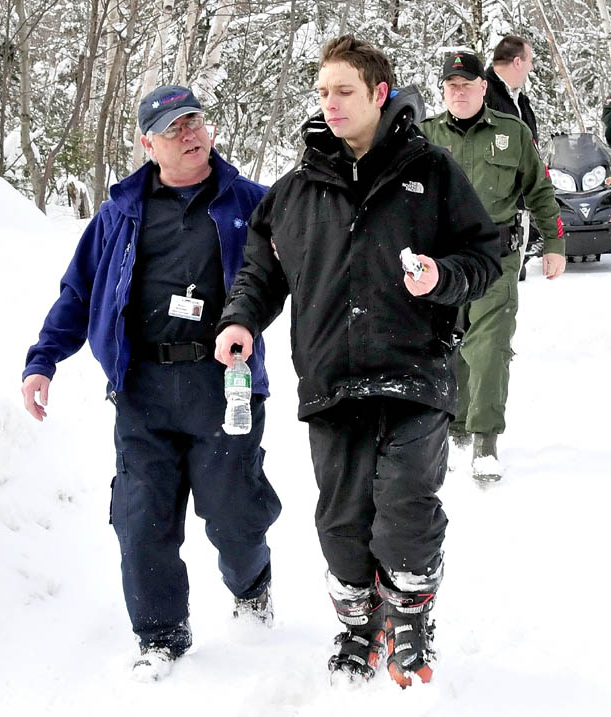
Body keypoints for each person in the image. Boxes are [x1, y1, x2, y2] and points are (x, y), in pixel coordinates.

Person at [214, 35, 501, 688]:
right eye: (322, 92)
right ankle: (359, 624)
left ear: (378, 93)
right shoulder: (295, 191)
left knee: (405, 506)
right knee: (340, 524)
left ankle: (410, 614)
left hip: (415, 371)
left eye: (344, 90)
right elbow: (260, 269)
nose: (330, 103)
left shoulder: (433, 172)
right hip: (332, 380)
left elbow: (484, 255)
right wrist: (239, 321)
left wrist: (443, 276)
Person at [21, 85, 281, 680]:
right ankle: (161, 635)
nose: (189, 133)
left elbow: (306, 266)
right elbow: (78, 293)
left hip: (226, 388)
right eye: (173, 127)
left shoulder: (252, 203)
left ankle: (253, 586)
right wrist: (43, 361)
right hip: (143, 389)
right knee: (142, 521)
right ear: (148, 143)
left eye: (195, 121)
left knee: (235, 516)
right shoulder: (119, 214)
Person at [420, 51, 565, 483]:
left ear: (484, 87)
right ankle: (454, 424)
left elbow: (539, 190)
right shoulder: (423, 135)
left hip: (495, 256)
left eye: (467, 84)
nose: (458, 92)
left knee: (489, 344)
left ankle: (484, 439)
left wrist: (555, 242)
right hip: (441, 261)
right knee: (447, 343)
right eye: (451, 85)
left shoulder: (513, 133)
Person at [484, 34, 542, 275]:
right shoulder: (484, 96)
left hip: (518, 206)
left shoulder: (519, 99)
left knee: (510, 286)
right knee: (494, 288)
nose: (531, 66)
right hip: (495, 211)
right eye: (529, 60)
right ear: (517, 62)